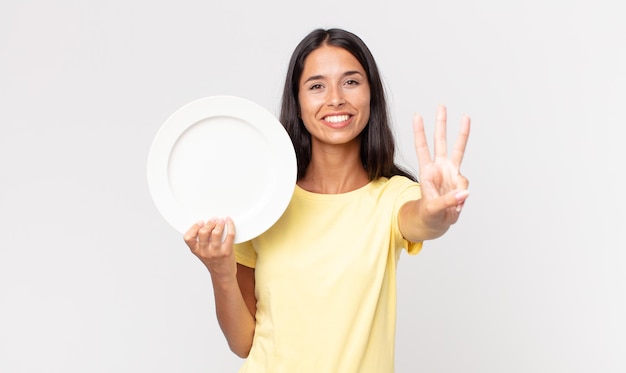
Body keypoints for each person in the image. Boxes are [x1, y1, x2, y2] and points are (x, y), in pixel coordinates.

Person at [183, 28, 470, 373]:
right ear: (298, 102)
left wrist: (440, 208)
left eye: (350, 82)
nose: (335, 99)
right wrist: (221, 271)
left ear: (371, 95)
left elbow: (424, 218)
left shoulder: (393, 198)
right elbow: (243, 342)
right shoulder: (266, 201)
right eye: (317, 86)